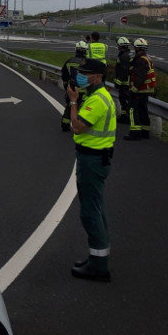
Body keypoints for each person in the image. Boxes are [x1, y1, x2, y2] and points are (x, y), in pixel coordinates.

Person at [65, 58, 116, 282]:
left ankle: (99, 266)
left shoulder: (98, 101)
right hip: (96, 159)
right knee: (96, 206)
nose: (81, 76)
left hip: (92, 161)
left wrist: (73, 101)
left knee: (89, 211)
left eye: (85, 74)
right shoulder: (98, 96)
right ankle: (98, 256)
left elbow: (77, 126)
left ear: (97, 77)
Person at [124, 38, 156, 141]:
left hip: (139, 90)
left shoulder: (141, 60)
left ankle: (135, 133)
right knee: (143, 110)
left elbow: (140, 77)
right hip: (146, 90)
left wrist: (132, 90)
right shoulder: (147, 58)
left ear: (137, 48)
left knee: (132, 110)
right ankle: (145, 132)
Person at [60, 41, 89, 131]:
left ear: (76, 50)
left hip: (72, 90)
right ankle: (82, 126)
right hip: (85, 90)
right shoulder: (88, 63)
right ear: (85, 51)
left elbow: (64, 76)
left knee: (69, 107)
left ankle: (65, 125)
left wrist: (66, 86)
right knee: (85, 108)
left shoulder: (69, 61)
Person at [114, 37, 133, 124]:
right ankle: (124, 116)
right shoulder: (128, 54)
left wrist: (118, 82)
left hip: (125, 83)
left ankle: (126, 117)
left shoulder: (123, 57)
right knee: (123, 100)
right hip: (128, 82)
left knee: (124, 100)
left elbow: (123, 70)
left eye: (118, 46)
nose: (117, 47)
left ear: (121, 46)